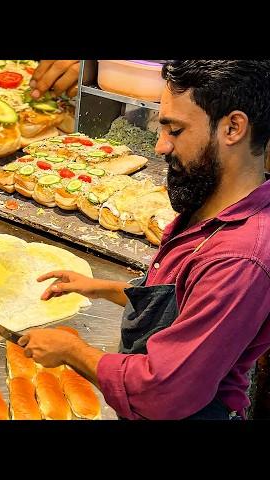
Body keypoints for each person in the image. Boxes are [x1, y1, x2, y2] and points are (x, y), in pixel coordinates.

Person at [19, 60, 270, 420]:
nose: (160, 147)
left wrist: (73, 350)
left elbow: (164, 390)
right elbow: (182, 302)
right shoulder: (210, 204)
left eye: (175, 130)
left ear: (233, 127)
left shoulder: (239, 260)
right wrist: (101, 287)